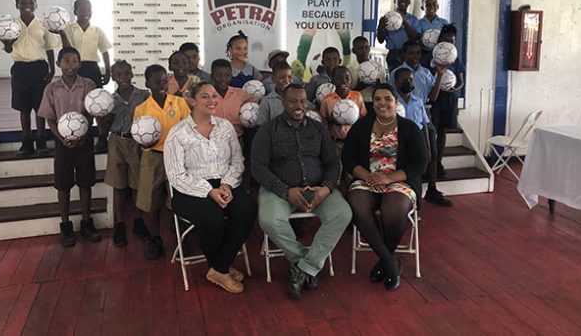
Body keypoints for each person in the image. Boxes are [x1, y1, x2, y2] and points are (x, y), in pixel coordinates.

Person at [251, 84, 352, 300]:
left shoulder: (318, 129)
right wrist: (285, 191)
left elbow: (333, 163)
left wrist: (326, 188)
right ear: (283, 103)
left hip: (318, 188)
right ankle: (305, 262)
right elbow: (258, 167)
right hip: (279, 189)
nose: (299, 106)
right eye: (293, 101)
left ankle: (304, 269)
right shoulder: (268, 130)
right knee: (269, 220)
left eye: (302, 101)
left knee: (343, 213)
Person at [164, 81, 257, 294]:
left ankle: (219, 268)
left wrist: (226, 184)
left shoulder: (225, 127)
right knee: (212, 216)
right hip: (190, 189)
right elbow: (176, 176)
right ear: (192, 100)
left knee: (247, 208)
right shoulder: (178, 133)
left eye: (215, 95)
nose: (212, 100)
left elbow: (237, 161)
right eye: (205, 96)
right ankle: (222, 268)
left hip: (225, 183)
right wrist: (209, 191)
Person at [342, 83, 428, 291]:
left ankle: (384, 261)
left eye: (387, 98)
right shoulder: (361, 126)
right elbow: (348, 157)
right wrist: (369, 176)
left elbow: (420, 163)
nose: (382, 103)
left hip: (400, 181)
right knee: (357, 204)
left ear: (395, 102)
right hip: (367, 179)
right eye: (378, 99)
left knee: (394, 209)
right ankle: (390, 262)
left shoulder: (409, 128)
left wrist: (389, 178)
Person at [37, 46, 101, 247]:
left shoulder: (88, 85)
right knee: (63, 185)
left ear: (80, 63)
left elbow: (91, 113)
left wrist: (83, 135)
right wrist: (61, 137)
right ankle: (65, 225)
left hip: (84, 142)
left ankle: (86, 222)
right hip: (61, 143)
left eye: (74, 61)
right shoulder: (51, 88)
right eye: (66, 61)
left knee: (85, 182)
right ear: (58, 64)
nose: (70, 66)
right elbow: (50, 118)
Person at [132, 64, 191, 259]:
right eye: (156, 81)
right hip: (153, 157)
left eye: (165, 80)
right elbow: (138, 137)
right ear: (147, 83)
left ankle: (183, 238)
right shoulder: (141, 109)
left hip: (177, 157)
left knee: (181, 199)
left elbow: (189, 129)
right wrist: (148, 141)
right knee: (148, 202)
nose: (162, 84)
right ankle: (155, 239)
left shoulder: (179, 103)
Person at [0, 0, 57, 156]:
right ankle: (26, 140)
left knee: (40, 107)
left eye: (31, 2)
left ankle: (40, 139)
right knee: (23, 108)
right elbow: (8, 49)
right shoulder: (10, 26)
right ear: (16, 5)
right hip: (20, 69)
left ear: (36, 5)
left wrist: (52, 70)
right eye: (23, 3)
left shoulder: (43, 25)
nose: (27, 6)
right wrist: (8, 41)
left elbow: (50, 48)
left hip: (39, 68)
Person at [104, 60, 150, 247]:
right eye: (119, 74)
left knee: (137, 184)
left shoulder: (144, 96)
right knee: (118, 185)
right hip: (116, 140)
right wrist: (102, 119)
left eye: (126, 73)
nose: (123, 78)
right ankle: (119, 225)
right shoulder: (108, 100)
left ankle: (139, 221)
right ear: (113, 77)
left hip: (137, 142)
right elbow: (104, 128)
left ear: (132, 74)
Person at [59, 0, 113, 151]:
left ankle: (103, 137)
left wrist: (107, 71)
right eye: (82, 9)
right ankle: (79, 134)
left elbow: (105, 51)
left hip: (93, 68)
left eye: (88, 9)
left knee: (98, 104)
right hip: (75, 69)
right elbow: (67, 49)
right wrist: (62, 34)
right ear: (75, 11)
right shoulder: (69, 29)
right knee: (78, 103)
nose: (85, 12)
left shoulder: (97, 31)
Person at [394, 68, 452, 207]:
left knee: (416, 173)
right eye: (404, 80)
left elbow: (424, 124)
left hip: (418, 138)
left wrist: (427, 145)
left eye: (411, 80)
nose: (408, 82)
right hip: (400, 140)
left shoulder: (418, 100)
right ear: (396, 82)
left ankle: (417, 203)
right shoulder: (393, 101)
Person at [424, 24, 465, 178]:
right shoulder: (430, 57)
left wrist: (454, 89)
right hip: (434, 98)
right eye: (445, 40)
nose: (448, 44)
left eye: (452, 41)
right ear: (439, 41)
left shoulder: (455, 58)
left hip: (449, 98)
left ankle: (438, 162)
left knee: (442, 131)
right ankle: (429, 163)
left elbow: (460, 81)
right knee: (430, 131)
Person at [211, 59, 258, 138]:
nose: (223, 79)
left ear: (231, 76)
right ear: (212, 77)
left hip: (236, 139)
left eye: (227, 75)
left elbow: (256, 103)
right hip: (212, 140)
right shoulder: (205, 96)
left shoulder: (241, 94)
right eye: (219, 75)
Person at [318, 66, 367, 142]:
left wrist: (353, 117)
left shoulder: (357, 96)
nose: (344, 81)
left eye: (347, 78)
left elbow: (364, 118)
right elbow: (322, 123)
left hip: (354, 141)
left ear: (351, 80)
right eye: (339, 78)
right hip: (335, 142)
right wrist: (331, 120)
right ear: (332, 80)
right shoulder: (327, 100)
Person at [376, 0, 420, 71]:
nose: (403, 0)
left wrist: (405, 22)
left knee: (409, 78)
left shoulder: (413, 19)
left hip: (409, 54)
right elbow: (380, 40)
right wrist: (380, 27)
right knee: (395, 77)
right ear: (395, 0)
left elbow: (415, 38)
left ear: (409, 2)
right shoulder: (387, 18)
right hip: (394, 55)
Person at [347, 36, 386, 114]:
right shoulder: (349, 70)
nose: (364, 51)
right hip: (356, 104)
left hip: (375, 104)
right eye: (360, 48)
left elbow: (385, 88)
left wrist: (378, 86)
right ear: (354, 51)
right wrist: (357, 88)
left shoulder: (378, 67)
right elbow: (345, 92)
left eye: (366, 47)